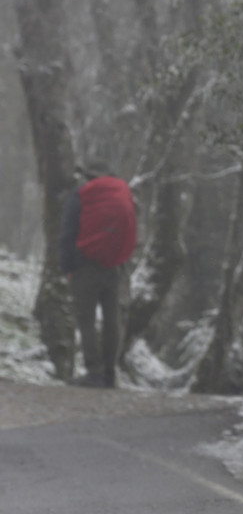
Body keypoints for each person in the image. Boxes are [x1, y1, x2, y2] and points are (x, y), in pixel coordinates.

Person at [59, 159, 137, 388]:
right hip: (114, 265)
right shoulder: (121, 193)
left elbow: (68, 233)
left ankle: (94, 372)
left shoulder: (81, 196)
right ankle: (111, 372)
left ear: (87, 176)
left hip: (85, 266)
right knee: (113, 319)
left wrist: (68, 267)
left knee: (86, 319)